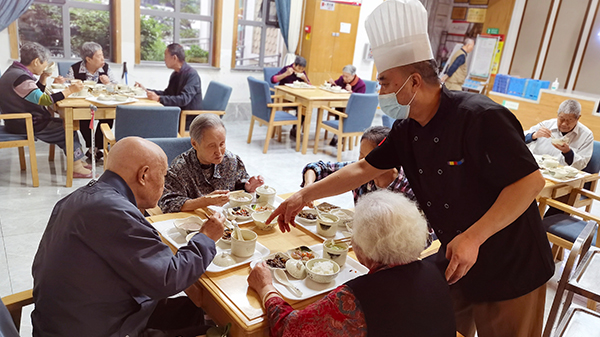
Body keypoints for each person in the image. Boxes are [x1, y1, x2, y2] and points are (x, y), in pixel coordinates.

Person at [268, 1, 554, 337]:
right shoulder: (408, 129)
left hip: (510, 264)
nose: (382, 91)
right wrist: (304, 194)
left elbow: (530, 183)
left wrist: (473, 237)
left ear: (415, 81)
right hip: (457, 260)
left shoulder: (480, 116)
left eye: (386, 82)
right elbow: (363, 168)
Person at [32, 137, 224, 336]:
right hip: (99, 327)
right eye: (164, 176)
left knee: (195, 310)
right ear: (143, 175)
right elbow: (168, 279)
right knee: (220, 329)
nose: (164, 184)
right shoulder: (113, 212)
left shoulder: (80, 198)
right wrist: (206, 237)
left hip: (74, 317)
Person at [249, 190, 456, 337]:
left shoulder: (354, 298)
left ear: (363, 248)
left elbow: (289, 329)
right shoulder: (434, 271)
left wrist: (266, 287)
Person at [0, 42, 91, 178]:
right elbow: (44, 100)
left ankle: (76, 160)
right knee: (67, 128)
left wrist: (43, 78)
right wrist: (70, 90)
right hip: (26, 123)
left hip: (17, 121)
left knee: (65, 125)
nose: (46, 66)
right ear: (36, 61)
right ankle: (76, 167)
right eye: (45, 63)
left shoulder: (14, 71)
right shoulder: (21, 78)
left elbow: (32, 95)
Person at [159, 114, 264, 213]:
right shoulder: (180, 168)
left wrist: (247, 188)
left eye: (222, 144)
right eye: (211, 146)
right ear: (194, 143)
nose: (219, 152)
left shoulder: (232, 161)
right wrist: (204, 201)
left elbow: (239, 188)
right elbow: (167, 204)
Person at [302, 126, 413, 204]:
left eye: (368, 159)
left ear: (387, 158)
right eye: (361, 156)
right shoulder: (358, 171)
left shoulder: (409, 186)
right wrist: (308, 187)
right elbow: (316, 167)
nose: (362, 162)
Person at [62, 42, 118, 161]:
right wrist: (60, 82)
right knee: (83, 117)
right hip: (82, 103)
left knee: (108, 116)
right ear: (88, 59)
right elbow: (66, 87)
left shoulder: (106, 69)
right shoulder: (75, 69)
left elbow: (116, 89)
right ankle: (94, 148)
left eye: (103, 55)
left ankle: (95, 148)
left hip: (102, 103)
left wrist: (108, 84)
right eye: (99, 56)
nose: (103, 58)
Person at [136, 43, 203, 128]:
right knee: (146, 116)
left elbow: (184, 99)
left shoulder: (192, 75)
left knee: (149, 118)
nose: (164, 59)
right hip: (176, 113)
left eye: (165, 56)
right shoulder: (175, 74)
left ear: (174, 58)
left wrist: (159, 98)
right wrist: (145, 90)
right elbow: (168, 93)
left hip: (187, 119)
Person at [524, 99, 593, 170]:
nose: (564, 124)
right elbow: (519, 140)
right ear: (557, 114)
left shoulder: (586, 135)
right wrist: (534, 135)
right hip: (537, 168)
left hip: (563, 175)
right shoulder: (546, 125)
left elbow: (581, 165)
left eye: (569, 120)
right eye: (561, 119)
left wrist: (568, 152)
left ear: (578, 118)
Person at [271, 56, 311, 139]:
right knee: (301, 106)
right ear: (294, 65)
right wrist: (286, 74)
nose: (300, 71)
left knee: (304, 107)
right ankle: (295, 128)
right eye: (299, 68)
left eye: (302, 69)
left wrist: (305, 79)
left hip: (296, 98)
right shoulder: (287, 69)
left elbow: (310, 85)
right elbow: (273, 79)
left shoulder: (302, 73)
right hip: (284, 98)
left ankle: (295, 128)